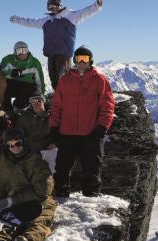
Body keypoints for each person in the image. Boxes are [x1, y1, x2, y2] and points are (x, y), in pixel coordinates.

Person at [49, 46, 115, 197]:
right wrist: (54, 127)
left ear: (90, 61)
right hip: (67, 132)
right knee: (62, 168)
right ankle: (60, 196)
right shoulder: (65, 80)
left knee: (92, 169)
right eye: (79, 59)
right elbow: (57, 106)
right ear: (74, 60)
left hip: (90, 133)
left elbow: (107, 105)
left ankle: (91, 198)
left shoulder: (99, 79)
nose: (82, 62)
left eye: (85, 59)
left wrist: (102, 127)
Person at [9, 0, 103, 90]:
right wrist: (17, 20)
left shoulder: (70, 16)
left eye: (53, 7)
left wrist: (96, 6)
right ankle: (57, 98)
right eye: (49, 8)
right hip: (51, 54)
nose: (51, 9)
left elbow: (85, 12)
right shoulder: (47, 20)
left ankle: (66, 99)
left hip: (63, 54)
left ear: (59, 5)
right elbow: (31, 22)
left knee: (63, 78)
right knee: (53, 78)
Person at [0, 41, 45, 111]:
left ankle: (18, 108)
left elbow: (39, 80)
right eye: (18, 51)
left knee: (28, 88)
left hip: (27, 88)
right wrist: (11, 73)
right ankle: (6, 109)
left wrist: (41, 95)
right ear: (14, 52)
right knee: (3, 85)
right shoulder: (8, 60)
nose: (21, 53)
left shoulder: (35, 62)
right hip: (12, 85)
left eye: (24, 50)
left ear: (28, 51)